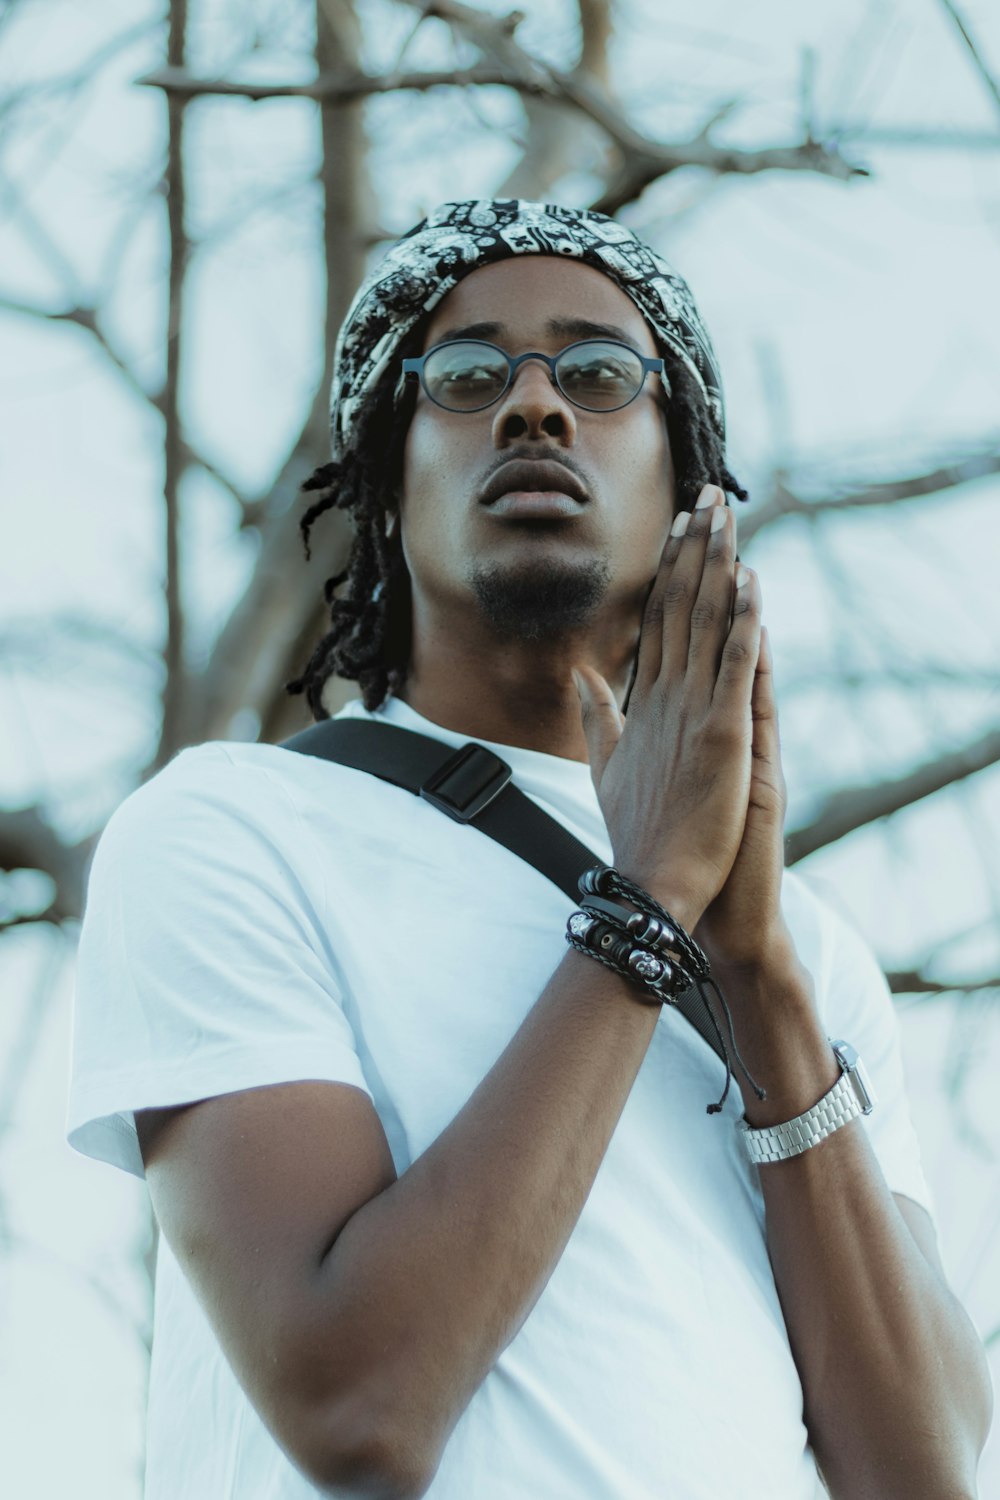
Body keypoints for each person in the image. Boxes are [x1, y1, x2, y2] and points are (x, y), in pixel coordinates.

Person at [68, 199, 991, 1500]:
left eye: (601, 373)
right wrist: (649, 900)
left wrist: (761, 979)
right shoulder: (237, 830)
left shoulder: (814, 958)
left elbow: (926, 1473)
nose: (535, 408)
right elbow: (360, 1410)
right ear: (388, 486)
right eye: (467, 375)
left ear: (687, 480)